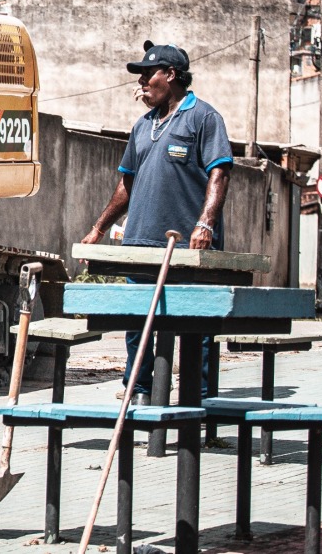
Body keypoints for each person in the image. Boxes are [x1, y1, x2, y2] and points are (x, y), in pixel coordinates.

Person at [81, 41, 233, 399]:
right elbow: (126, 183)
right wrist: (98, 228)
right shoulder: (142, 125)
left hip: (187, 248)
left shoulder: (203, 117)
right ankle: (139, 389)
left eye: (150, 74)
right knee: (138, 325)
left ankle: (200, 400)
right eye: (142, 76)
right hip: (141, 245)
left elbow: (220, 172)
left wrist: (206, 223)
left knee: (198, 326)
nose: (143, 81)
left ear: (172, 75)